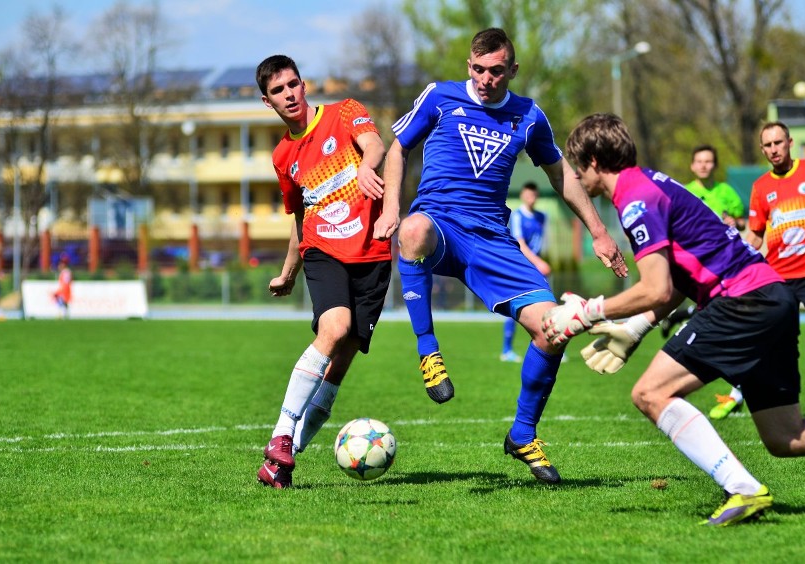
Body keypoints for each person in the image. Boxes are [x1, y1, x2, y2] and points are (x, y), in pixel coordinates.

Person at [543, 113, 805, 526]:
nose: (575, 175)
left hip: (744, 300)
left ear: (594, 161)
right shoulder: (649, 183)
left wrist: (586, 312)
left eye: (578, 165)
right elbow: (679, 280)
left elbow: (656, 289)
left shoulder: (635, 197)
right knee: (785, 437)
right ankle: (748, 487)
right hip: (772, 296)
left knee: (651, 393)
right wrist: (635, 328)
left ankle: (743, 489)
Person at [374, 28, 627, 484]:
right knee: (412, 230)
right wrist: (392, 206)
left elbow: (561, 175)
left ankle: (523, 434)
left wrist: (599, 232)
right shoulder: (440, 97)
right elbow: (399, 147)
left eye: (496, 71)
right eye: (477, 69)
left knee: (554, 330)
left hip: (493, 239)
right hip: (441, 224)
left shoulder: (529, 115)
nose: (486, 79)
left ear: (512, 70)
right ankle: (429, 352)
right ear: (467, 66)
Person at [254, 54, 392, 489]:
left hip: (372, 253)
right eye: (278, 91)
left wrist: (368, 165)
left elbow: (375, 144)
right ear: (267, 101)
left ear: (304, 84)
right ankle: (281, 434)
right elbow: (299, 218)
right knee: (335, 327)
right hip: (324, 248)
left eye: (292, 84)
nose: (288, 94)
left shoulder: (344, 112)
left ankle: (282, 462)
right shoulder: (283, 156)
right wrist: (288, 271)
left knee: (343, 355)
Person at [726, 120, 805, 417]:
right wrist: (735, 259)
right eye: (768, 145)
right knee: (763, 332)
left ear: (790, 143)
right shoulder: (761, 187)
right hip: (778, 275)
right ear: (762, 149)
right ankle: (736, 393)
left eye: (778, 143)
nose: (774, 149)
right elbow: (755, 234)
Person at [661, 145, 746, 339]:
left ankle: (680, 321)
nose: (703, 166)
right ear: (692, 166)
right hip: (697, 257)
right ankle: (685, 335)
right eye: (699, 161)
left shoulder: (726, 191)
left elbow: (741, 221)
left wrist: (735, 222)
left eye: (708, 161)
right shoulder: (684, 191)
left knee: (721, 303)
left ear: (715, 165)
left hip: (725, 256)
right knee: (715, 305)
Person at [501, 181, 551, 363]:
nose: (531, 198)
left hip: (537, 266)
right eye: (528, 194)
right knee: (515, 307)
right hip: (521, 266)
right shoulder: (517, 216)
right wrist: (539, 263)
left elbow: (541, 243)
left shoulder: (542, 217)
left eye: (534, 194)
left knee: (547, 306)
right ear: (523, 195)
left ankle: (551, 346)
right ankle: (506, 350)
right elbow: (520, 244)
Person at [53, 254, 72, 318]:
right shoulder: (64, 272)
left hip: (64, 291)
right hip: (63, 290)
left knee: (62, 303)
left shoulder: (66, 272)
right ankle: (63, 315)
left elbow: (65, 283)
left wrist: (60, 292)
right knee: (63, 303)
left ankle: (62, 315)